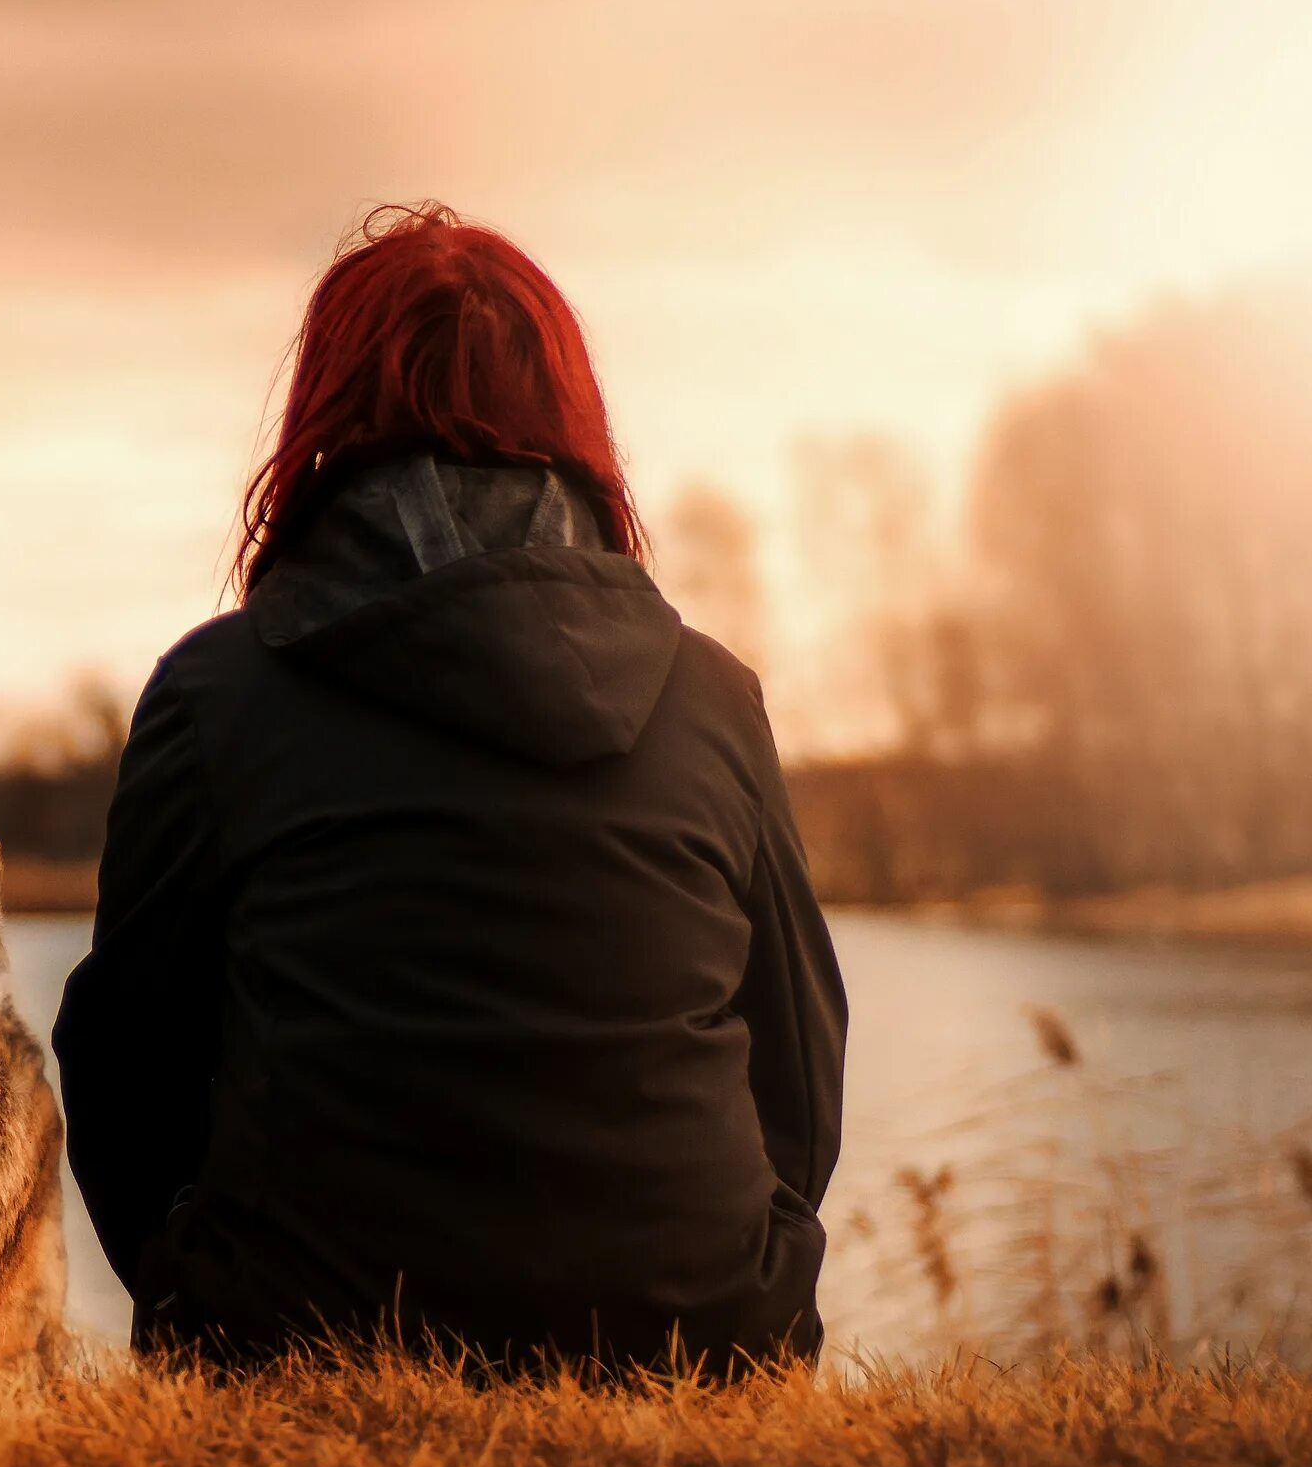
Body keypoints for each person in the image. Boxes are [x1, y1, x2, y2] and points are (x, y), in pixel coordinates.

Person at [50, 202, 846, 1375]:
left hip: (299, 1337)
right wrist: (742, 1267)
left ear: (325, 416)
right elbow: (800, 1060)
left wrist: (196, 1283)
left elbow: (126, 1064)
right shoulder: (712, 696)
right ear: (571, 418)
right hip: (697, 1336)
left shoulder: (216, 694)